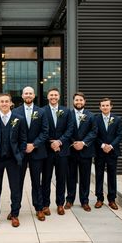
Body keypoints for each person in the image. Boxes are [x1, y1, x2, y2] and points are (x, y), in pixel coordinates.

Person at [0, 93, 27, 228]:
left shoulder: (19, 119)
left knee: (15, 188)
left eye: (6, 101)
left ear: (11, 103)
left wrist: (19, 155)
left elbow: (23, 140)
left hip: (13, 159)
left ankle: (14, 214)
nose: (4, 104)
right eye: (1, 101)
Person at [14, 86, 48, 221]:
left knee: (36, 182)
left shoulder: (41, 112)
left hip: (37, 152)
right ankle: (15, 209)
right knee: (17, 182)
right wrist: (24, 146)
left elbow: (45, 131)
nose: (28, 95)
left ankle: (39, 208)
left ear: (34, 96)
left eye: (30, 93)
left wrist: (33, 145)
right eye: (26, 93)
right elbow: (13, 133)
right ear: (22, 96)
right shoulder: (15, 111)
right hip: (21, 153)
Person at [42, 87, 73, 215]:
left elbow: (70, 129)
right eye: (51, 95)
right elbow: (42, 130)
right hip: (47, 151)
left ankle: (60, 204)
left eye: (55, 95)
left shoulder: (66, 111)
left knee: (61, 178)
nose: (53, 97)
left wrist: (59, 142)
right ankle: (45, 205)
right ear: (48, 97)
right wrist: (51, 142)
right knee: (46, 179)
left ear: (59, 97)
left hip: (62, 150)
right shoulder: (42, 111)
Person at [65, 92, 97, 211]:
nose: (79, 102)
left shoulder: (91, 116)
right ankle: (69, 200)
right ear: (73, 101)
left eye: (81, 100)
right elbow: (66, 130)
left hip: (86, 151)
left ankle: (84, 201)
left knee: (85, 177)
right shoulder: (68, 114)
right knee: (70, 176)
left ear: (84, 102)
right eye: (77, 100)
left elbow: (94, 132)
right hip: (71, 151)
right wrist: (74, 143)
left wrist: (83, 143)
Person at [94, 97, 122, 210]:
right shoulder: (95, 119)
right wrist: (102, 145)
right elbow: (94, 134)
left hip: (112, 152)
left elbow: (119, 135)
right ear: (100, 107)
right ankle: (99, 199)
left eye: (107, 105)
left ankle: (112, 199)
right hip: (99, 152)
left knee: (112, 176)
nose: (105, 107)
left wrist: (110, 146)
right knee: (99, 175)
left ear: (111, 106)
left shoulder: (117, 119)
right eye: (103, 105)